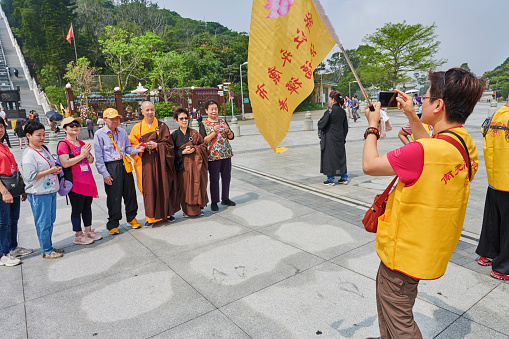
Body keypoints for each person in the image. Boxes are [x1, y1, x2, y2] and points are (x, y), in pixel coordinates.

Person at [363, 68, 483, 339]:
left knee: (399, 315)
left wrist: (372, 126)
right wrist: (411, 115)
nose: (420, 102)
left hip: (404, 251)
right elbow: (432, 149)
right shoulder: (464, 143)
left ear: (439, 105)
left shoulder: (422, 151)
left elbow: (370, 165)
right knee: (389, 301)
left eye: (424, 99)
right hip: (428, 247)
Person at [95, 108, 145, 235]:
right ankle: (113, 223)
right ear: (105, 120)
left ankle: (132, 218)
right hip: (110, 166)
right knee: (114, 196)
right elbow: (99, 157)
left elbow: (127, 148)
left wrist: (136, 149)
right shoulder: (99, 134)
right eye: (112, 119)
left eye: (117, 118)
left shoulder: (122, 132)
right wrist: (105, 173)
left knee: (130, 193)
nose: (115, 121)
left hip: (124, 164)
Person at [129, 101, 179, 226]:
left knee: (164, 185)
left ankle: (168, 213)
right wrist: (140, 147)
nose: (150, 112)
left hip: (161, 161)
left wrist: (158, 145)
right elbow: (131, 146)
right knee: (147, 189)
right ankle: (150, 217)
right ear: (142, 112)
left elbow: (169, 145)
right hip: (144, 163)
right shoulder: (137, 128)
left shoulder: (162, 126)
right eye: (147, 110)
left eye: (152, 109)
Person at [476, 98, 509, 280]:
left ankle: (487, 254)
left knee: (493, 220)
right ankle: (503, 267)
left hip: (494, 179)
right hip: (507, 182)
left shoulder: (496, 115)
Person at [21, 121, 64, 259]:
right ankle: (46, 250)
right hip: (38, 194)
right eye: (38, 135)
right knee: (43, 223)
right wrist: (50, 171)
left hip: (49, 191)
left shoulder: (43, 149)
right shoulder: (29, 154)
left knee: (50, 221)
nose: (42, 138)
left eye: (43, 135)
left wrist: (55, 169)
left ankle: (49, 246)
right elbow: (29, 177)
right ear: (28, 135)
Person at [58, 117, 100, 245]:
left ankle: (88, 231)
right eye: (71, 126)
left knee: (87, 207)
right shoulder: (63, 144)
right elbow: (65, 163)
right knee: (77, 209)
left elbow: (91, 160)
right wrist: (81, 155)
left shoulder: (82, 143)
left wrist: (86, 154)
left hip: (87, 180)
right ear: (65, 129)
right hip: (75, 183)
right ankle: (78, 235)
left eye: (76, 125)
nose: (75, 127)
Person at [0, 117, 32, 267]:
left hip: (13, 186)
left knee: (13, 219)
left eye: (1, 126)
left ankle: (13, 247)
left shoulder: (3, 146)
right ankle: (3, 254)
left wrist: (22, 188)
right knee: (3, 222)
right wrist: (4, 192)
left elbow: (14, 166)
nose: (0, 130)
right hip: (3, 188)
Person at [171, 107, 209, 217]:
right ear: (176, 120)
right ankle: (186, 210)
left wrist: (195, 149)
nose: (184, 120)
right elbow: (169, 152)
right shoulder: (174, 136)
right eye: (181, 118)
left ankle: (198, 208)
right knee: (184, 188)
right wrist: (182, 153)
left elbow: (203, 146)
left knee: (197, 185)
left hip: (196, 166)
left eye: (186, 118)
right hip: (182, 167)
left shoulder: (194, 133)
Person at [199, 99, 235, 211]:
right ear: (206, 110)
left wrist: (228, 131)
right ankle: (214, 201)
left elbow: (231, 136)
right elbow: (203, 141)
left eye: (216, 108)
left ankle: (225, 198)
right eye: (211, 109)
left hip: (226, 154)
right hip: (213, 156)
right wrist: (214, 132)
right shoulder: (203, 124)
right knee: (214, 179)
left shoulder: (223, 121)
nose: (214, 111)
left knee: (226, 177)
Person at [318, 91, 348, 186]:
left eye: (330, 98)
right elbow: (345, 127)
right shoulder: (342, 111)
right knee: (340, 157)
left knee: (330, 157)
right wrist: (343, 137)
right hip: (339, 137)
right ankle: (344, 177)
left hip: (330, 138)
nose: (329, 100)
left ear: (333, 100)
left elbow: (321, 124)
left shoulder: (330, 111)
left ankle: (331, 179)